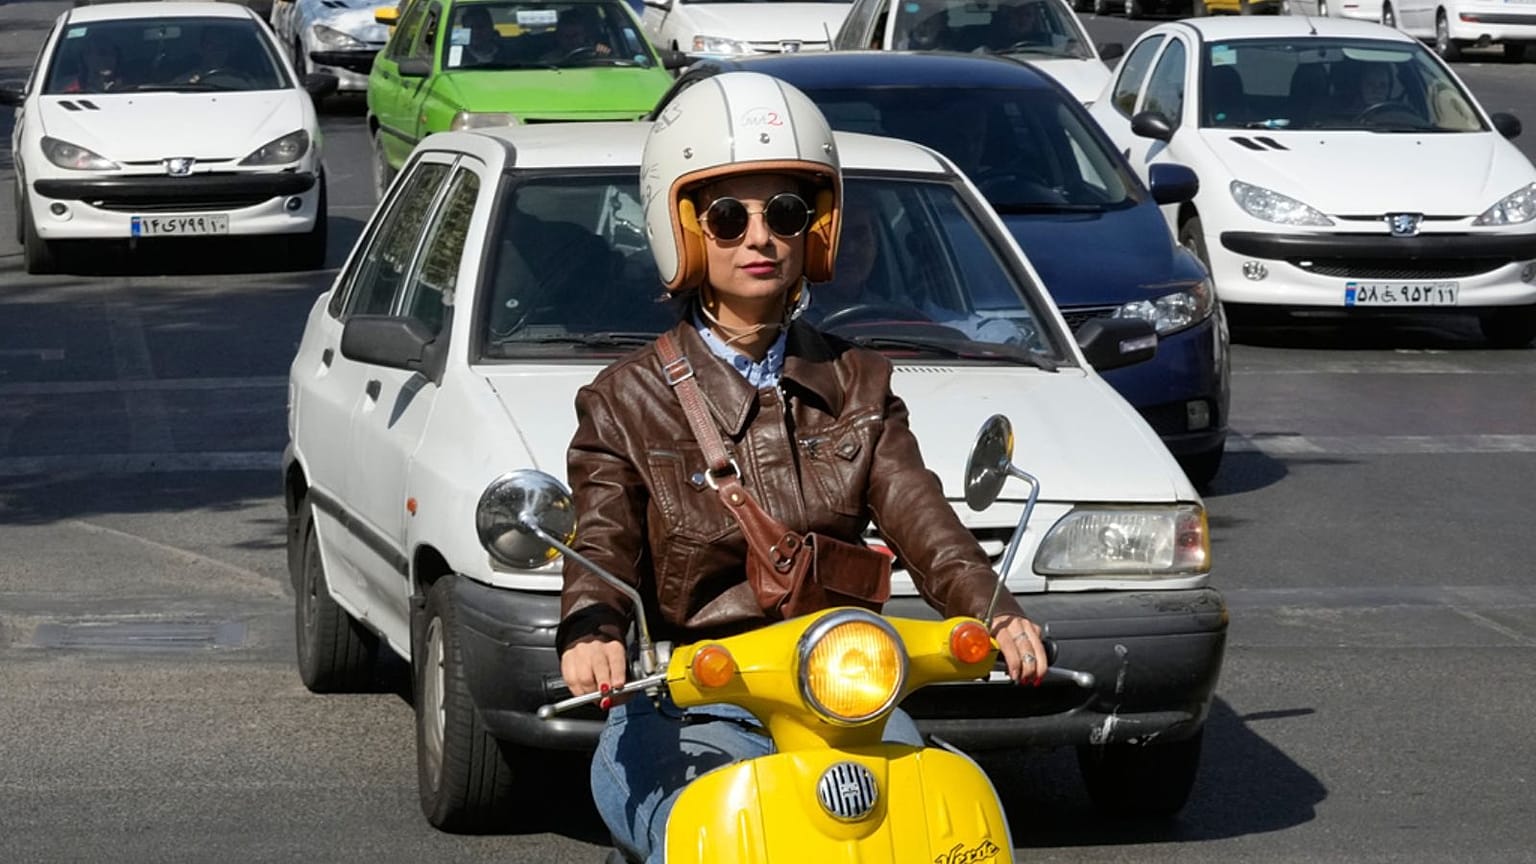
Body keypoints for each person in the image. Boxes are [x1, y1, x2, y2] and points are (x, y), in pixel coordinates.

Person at [557, 72, 1049, 864]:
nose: (759, 236)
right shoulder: (625, 400)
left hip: (844, 692)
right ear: (682, 230)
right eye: (726, 216)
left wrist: (996, 611)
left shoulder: (860, 381)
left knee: (936, 832)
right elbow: (603, 535)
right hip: (695, 701)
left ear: (814, 231)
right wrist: (592, 629)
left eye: (785, 212)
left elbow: (921, 518)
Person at [61, 35, 127, 93]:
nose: (108, 59)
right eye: (102, 53)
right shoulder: (69, 89)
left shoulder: (132, 86)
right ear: (86, 57)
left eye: (112, 54)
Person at [541, 9, 611, 61]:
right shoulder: (549, 60)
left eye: (575, 35)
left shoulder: (598, 54)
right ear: (558, 37)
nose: (571, 40)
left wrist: (602, 59)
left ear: (584, 35)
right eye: (565, 36)